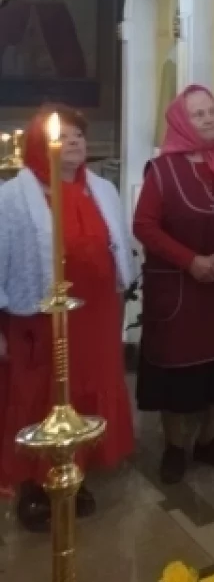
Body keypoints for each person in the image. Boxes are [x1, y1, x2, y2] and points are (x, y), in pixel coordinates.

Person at [0, 106, 136, 531]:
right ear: (40, 146)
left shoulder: (101, 188)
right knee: (40, 395)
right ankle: (33, 486)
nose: (75, 141)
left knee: (85, 392)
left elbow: (117, 248)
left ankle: (76, 471)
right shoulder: (12, 197)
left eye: (79, 135)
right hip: (40, 318)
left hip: (95, 316)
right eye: (65, 136)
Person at [133, 84, 214, 484]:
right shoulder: (162, 171)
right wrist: (190, 261)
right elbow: (144, 225)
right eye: (198, 114)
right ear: (181, 122)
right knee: (175, 374)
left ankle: (210, 440)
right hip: (178, 291)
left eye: (212, 111)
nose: (208, 119)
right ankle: (175, 448)